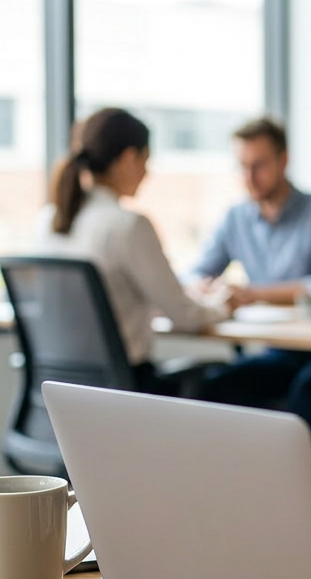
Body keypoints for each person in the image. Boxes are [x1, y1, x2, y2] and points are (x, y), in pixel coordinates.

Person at [192, 117, 311, 491]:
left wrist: (253, 292)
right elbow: (194, 275)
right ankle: (237, 497)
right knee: (217, 386)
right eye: (242, 166)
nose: (249, 177)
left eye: (258, 165)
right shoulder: (236, 217)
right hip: (283, 353)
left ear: (283, 160)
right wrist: (208, 287)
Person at [35, 107, 231, 391]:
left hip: (63, 394)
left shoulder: (49, 220)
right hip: (125, 394)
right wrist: (222, 304)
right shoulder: (128, 225)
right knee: (224, 381)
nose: (147, 173)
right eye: (146, 161)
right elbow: (186, 318)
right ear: (128, 158)